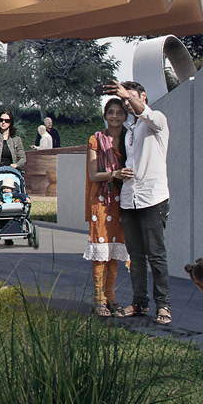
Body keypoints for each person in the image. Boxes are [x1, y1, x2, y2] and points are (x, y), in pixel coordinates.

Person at [108, 77, 173, 324]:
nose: (126, 103)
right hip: (129, 198)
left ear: (142, 97)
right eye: (123, 99)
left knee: (156, 254)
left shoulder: (157, 120)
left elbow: (145, 113)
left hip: (153, 198)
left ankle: (164, 306)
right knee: (135, 256)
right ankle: (139, 303)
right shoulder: (130, 130)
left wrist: (127, 96)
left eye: (129, 98)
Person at [86, 96, 131, 316]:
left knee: (114, 252)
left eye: (119, 112)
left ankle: (111, 298)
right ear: (105, 116)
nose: (115, 116)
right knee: (100, 252)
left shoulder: (129, 140)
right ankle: (99, 300)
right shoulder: (96, 140)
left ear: (125, 116)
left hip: (122, 200)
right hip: (101, 201)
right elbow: (94, 174)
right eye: (111, 112)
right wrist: (114, 174)